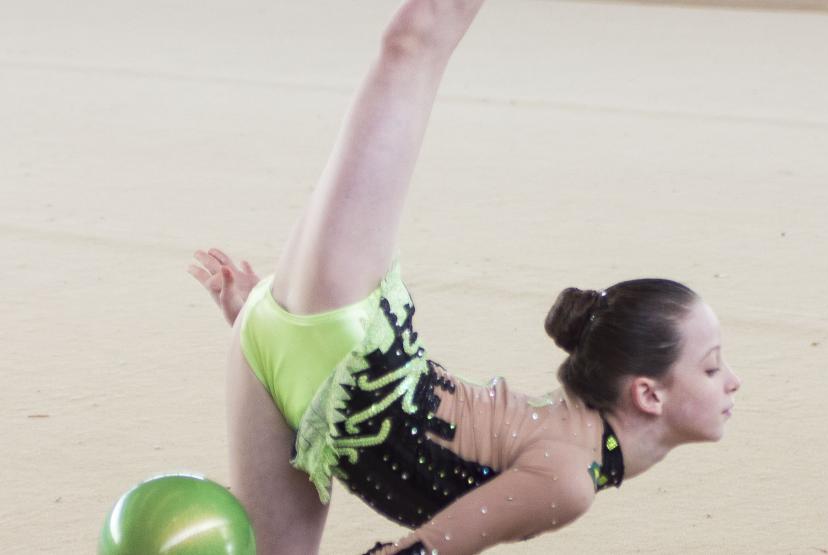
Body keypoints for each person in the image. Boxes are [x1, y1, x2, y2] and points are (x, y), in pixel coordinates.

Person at [187, 2, 741, 554]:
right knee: (414, 41)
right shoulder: (569, 479)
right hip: (341, 337)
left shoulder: (575, 458)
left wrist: (286, 335)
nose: (732, 381)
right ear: (645, 393)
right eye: (713, 366)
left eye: (716, 366)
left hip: (299, 373)